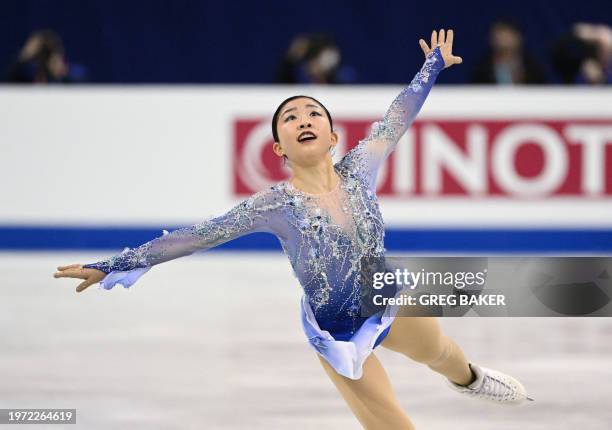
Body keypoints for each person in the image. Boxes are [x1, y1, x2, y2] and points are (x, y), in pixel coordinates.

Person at [54, 29, 530, 429]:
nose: (303, 120)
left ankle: (469, 379)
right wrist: (114, 264)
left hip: (385, 296)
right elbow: (194, 236)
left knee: (443, 353)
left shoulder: (360, 168)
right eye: (290, 118)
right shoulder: (273, 206)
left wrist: (432, 67)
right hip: (338, 335)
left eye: (312, 115)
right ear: (279, 147)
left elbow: (397, 117)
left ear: (332, 136)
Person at [471, 19, 546, 85]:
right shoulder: (483, 67)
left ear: (518, 37)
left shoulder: (532, 66)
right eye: (500, 35)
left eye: (508, 35)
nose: (504, 40)